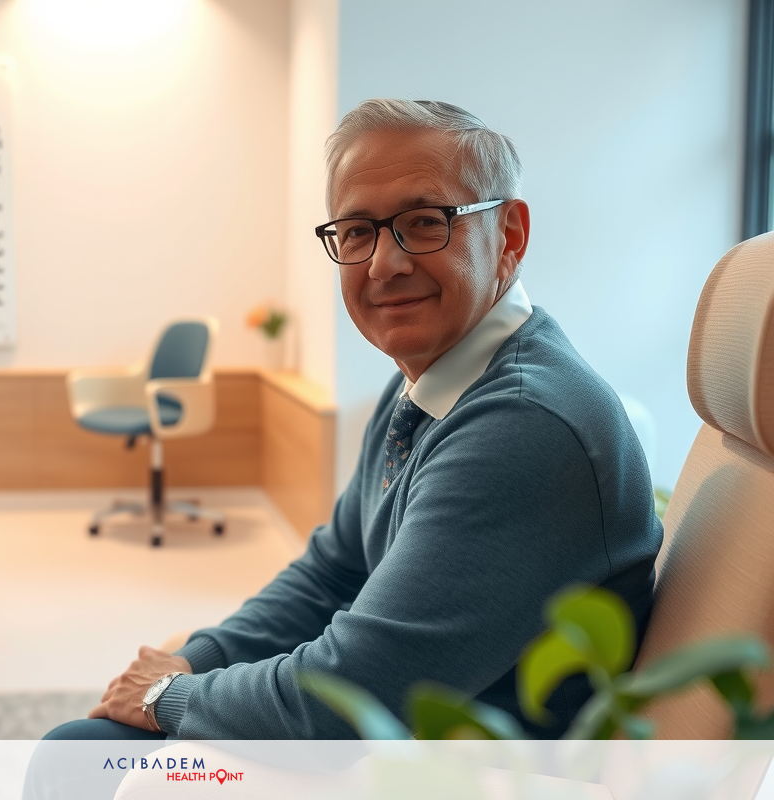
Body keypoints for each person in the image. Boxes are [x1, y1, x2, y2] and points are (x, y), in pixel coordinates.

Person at [47, 99, 664, 740]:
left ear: (508, 234)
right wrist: (198, 658)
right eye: (356, 232)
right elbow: (332, 572)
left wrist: (169, 696)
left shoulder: (520, 424)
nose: (384, 265)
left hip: (480, 772)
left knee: (78, 755)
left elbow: (348, 698)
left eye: (425, 223)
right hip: (415, 740)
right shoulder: (430, 384)